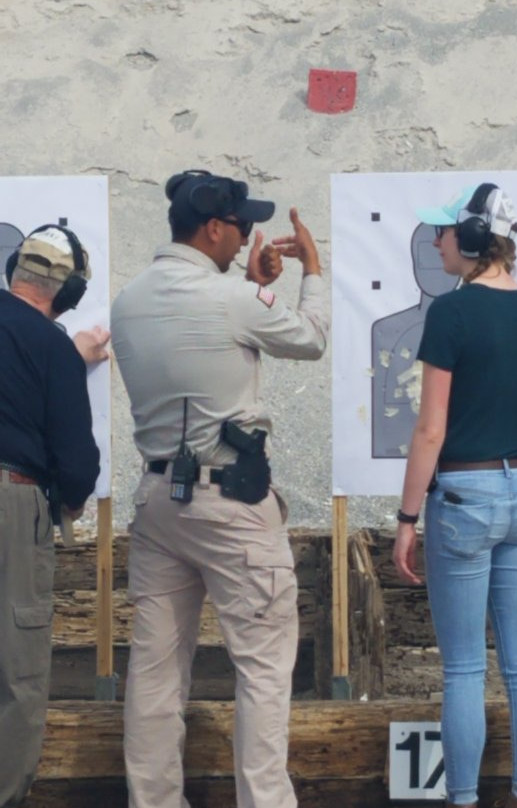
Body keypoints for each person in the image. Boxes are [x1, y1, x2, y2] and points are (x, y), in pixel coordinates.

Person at [111, 169, 329, 808]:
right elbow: (311, 339)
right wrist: (311, 271)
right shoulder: (232, 298)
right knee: (262, 669)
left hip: (159, 499)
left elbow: (202, 328)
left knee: (153, 676)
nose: (244, 239)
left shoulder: (128, 300)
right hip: (231, 500)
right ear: (212, 228)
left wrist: (248, 287)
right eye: (238, 227)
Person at [392, 183, 517, 808]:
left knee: (464, 668)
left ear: (471, 237)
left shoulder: (451, 312)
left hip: (465, 493)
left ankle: (462, 799)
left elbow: (430, 428)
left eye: (444, 231)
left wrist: (408, 517)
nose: (437, 241)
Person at [0, 225, 100, 807]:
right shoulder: (52, 347)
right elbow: (77, 465)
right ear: (68, 292)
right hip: (14, 499)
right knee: (17, 672)